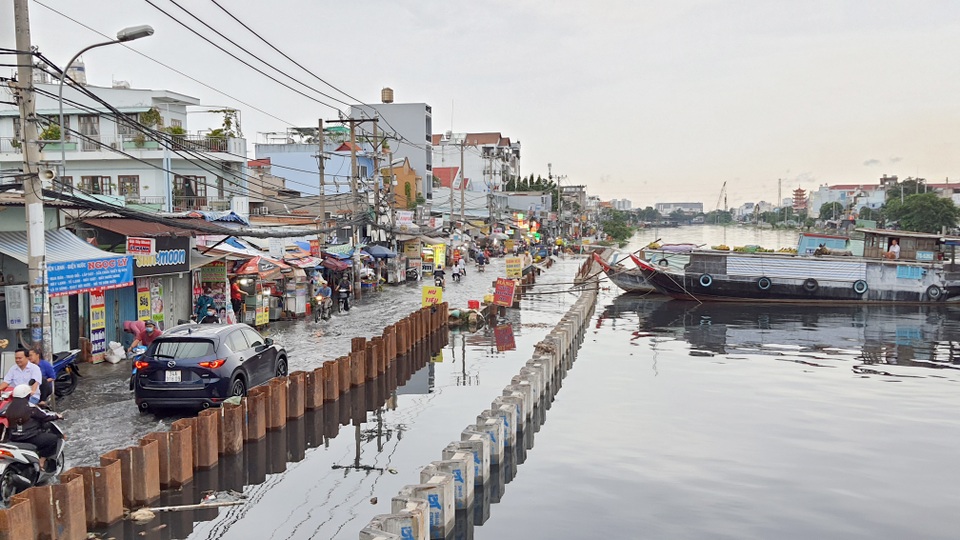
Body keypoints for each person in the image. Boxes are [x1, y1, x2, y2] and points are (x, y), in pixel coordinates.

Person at [3, 383, 62, 469]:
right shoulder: (31, 407)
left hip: (13, 438)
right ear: (27, 395)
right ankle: (41, 461)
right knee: (53, 439)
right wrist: (57, 416)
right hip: (29, 437)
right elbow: (45, 416)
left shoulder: (8, 408)